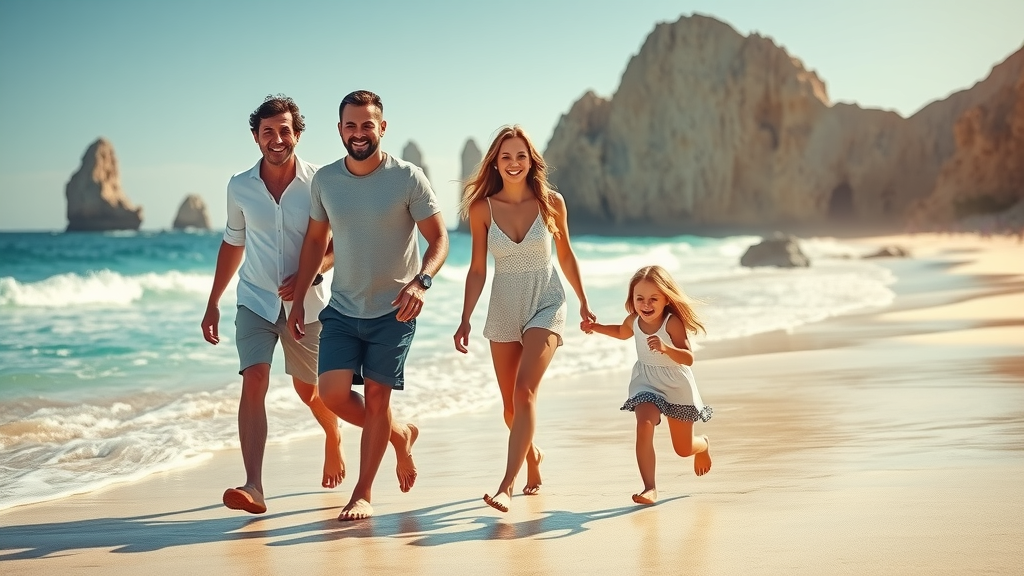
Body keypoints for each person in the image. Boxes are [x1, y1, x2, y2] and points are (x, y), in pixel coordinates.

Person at [287, 90, 448, 521]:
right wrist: (300, 297)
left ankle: (363, 492)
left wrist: (421, 282)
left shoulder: (408, 178)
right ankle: (399, 434)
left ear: (382, 127)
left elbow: (439, 238)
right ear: (340, 129)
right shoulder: (325, 180)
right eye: (351, 125)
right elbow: (317, 242)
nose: (359, 133)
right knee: (335, 396)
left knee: (376, 400)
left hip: (395, 310)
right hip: (341, 309)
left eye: (367, 124)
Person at [201, 94, 340, 515]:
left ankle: (333, 437)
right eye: (268, 132)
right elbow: (233, 241)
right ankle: (254, 485)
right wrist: (214, 303)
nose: (277, 139)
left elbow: (336, 247)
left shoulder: (322, 181)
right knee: (254, 379)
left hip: (309, 305)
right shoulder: (239, 186)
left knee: (310, 391)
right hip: (255, 302)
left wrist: (309, 275)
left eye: (284, 131)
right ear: (256, 137)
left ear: (297, 133)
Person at [453, 124, 595, 513]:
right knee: (510, 408)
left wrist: (582, 300)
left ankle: (506, 485)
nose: (514, 163)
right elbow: (478, 268)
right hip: (503, 307)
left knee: (525, 392)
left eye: (520, 156)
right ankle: (533, 457)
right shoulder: (482, 209)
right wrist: (465, 318)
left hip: (546, 301)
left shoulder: (552, 202)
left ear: (531, 160)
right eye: (505, 156)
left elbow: (565, 255)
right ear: (495, 163)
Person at [581, 265, 713, 505]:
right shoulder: (633, 320)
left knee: (683, 449)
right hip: (646, 382)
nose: (646, 304)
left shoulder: (672, 323)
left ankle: (702, 445)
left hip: (676, 385)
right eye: (639, 298)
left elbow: (688, 358)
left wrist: (666, 348)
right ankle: (649, 488)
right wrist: (595, 327)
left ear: (665, 299)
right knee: (643, 423)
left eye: (653, 298)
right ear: (632, 299)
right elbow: (622, 332)